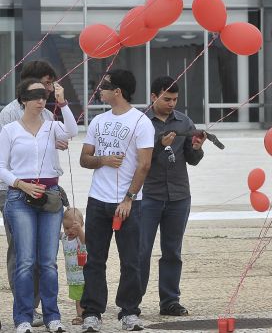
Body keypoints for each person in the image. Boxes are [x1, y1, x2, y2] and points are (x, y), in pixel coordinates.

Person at [79, 69, 155, 332]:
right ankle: (92, 313)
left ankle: (129, 312)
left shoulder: (141, 122)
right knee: (95, 259)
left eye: (105, 86)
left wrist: (129, 198)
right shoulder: (98, 121)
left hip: (128, 203)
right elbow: (84, 158)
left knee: (131, 259)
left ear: (118, 91)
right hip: (97, 200)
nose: (100, 89)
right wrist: (103, 160)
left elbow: (144, 165)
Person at [0, 78, 77, 333]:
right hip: (19, 197)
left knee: (48, 261)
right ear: (23, 99)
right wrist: (21, 184)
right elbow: (1, 166)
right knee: (25, 260)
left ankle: (52, 315)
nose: (40, 100)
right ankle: (22, 317)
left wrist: (63, 101)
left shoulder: (52, 127)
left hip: (50, 194)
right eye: (34, 96)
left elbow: (73, 131)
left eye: (44, 96)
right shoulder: (10, 129)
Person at [139, 76, 206, 316]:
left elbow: (192, 159)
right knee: (141, 250)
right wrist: (159, 146)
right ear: (153, 97)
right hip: (148, 195)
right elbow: (137, 159)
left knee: (172, 251)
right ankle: (132, 303)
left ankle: (169, 301)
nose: (171, 104)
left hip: (178, 195)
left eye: (175, 99)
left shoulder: (184, 121)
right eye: (166, 99)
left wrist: (197, 148)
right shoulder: (141, 122)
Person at [61, 207, 86, 326]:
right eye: (66, 228)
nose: (70, 230)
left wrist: (79, 230)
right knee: (78, 298)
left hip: (84, 275)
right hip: (73, 277)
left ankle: (85, 314)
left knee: (86, 296)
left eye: (73, 227)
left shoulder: (80, 239)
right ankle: (80, 314)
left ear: (81, 225)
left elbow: (85, 240)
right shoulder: (64, 237)